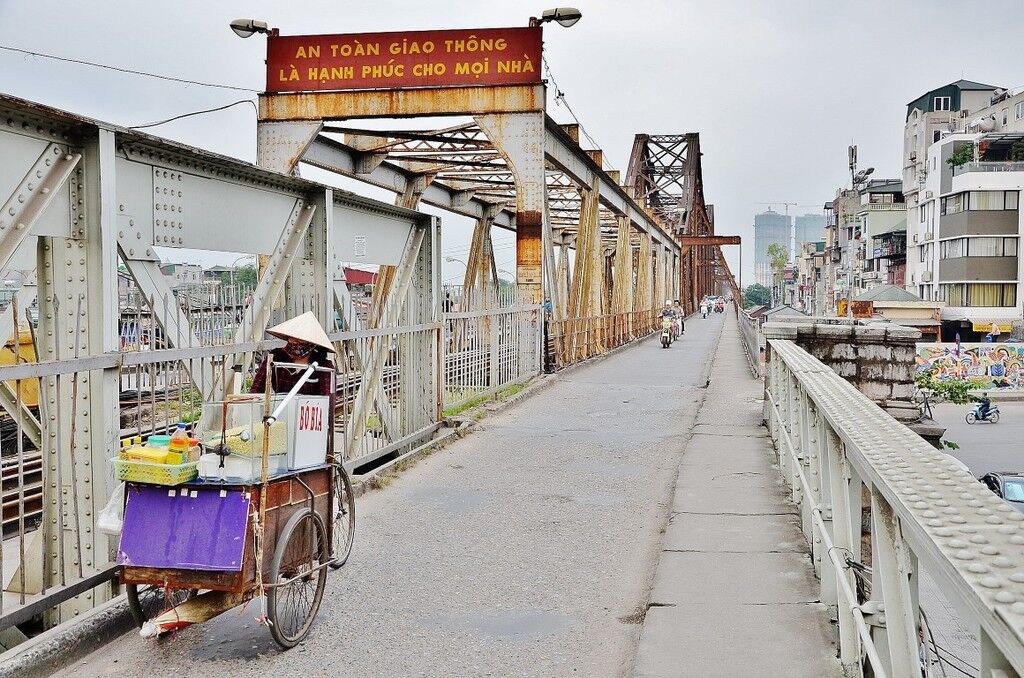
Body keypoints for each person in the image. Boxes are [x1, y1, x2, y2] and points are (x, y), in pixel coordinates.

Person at [251, 312, 336, 396]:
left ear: (312, 344)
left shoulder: (324, 367)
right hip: (279, 406)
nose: (292, 341)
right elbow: (256, 389)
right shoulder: (276, 357)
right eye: (291, 338)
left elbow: (327, 400)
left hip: (309, 407)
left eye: (299, 340)